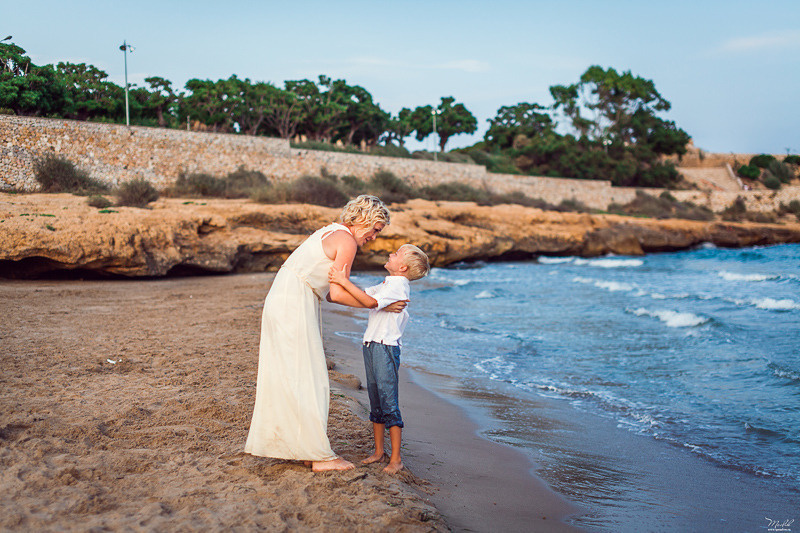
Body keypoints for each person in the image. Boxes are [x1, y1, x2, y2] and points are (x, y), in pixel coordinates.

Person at [244, 195, 403, 472]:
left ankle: (305, 449)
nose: (374, 237)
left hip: (285, 298)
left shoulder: (330, 231)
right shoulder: (347, 241)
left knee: (295, 375)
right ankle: (319, 456)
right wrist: (377, 304)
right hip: (293, 303)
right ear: (364, 219)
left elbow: (331, 293)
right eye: (375, 229)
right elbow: (338, 294)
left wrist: (371, 302)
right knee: (310, 377)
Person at [328, 244, 430, 474]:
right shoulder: (387, 283)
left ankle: (396, 459)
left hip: (385, 348)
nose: (391, 254)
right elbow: (364, 298)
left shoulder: (398, 285)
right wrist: (340, 290)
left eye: (397, 254)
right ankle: (378, 451)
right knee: (375, 399)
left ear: (403, 267)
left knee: (388, 401)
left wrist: (343, 281)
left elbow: (369, 302)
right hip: (372, 345)